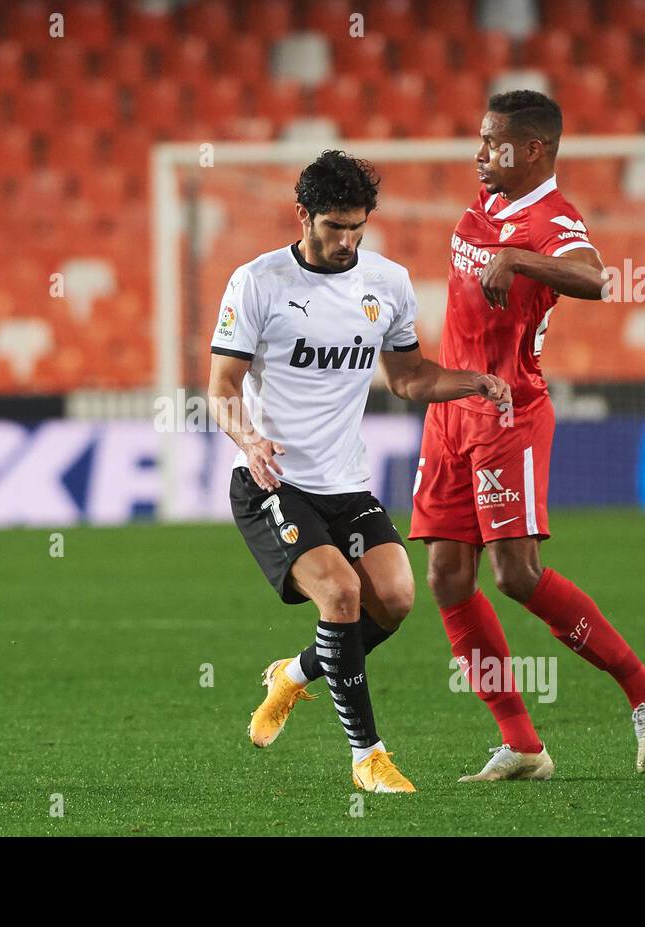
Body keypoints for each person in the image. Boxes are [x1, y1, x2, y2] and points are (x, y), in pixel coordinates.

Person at [207, 150, 509, 792]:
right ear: (303, 215)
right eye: (333, 226)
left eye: (356, 227)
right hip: (271, 481)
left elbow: (406, 377)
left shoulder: (387, 282)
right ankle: (367, 757)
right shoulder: (257, 282)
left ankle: (292, 675)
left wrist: (470, 383)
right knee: (341, 595)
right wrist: (250, 437)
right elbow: (222, 387)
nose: (346, 241)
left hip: (346, 483)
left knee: (395, 600)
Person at [409, 91, 645, 781]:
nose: (480, 152)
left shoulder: (552, 219)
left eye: (493, 142)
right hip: (451, 406)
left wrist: (522, 261)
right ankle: (523, 745)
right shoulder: (484, 202)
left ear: (534, 149)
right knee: (446, 576)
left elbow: (596, 277)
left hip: (507, 412)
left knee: (515, 573)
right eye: (479, 139)